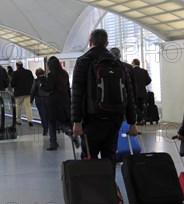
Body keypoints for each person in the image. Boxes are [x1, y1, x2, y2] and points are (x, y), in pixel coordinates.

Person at [72, 29, 138, 160]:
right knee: (110, 156)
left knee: (89, 157)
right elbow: (129, 94)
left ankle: (93, 181)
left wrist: (76, 121)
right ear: (107, 43)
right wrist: (132, 122)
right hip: (114, 118)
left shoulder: (83, 61)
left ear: (91, 42)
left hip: (92, 119)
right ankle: (109, 180)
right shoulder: (119, 64)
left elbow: (77, 93)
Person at [44, 56, 77, 150]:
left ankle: (53, 144)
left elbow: (50, 88)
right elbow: (68, 88)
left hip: (54, 102)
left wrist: (43, 86)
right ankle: (72, 134)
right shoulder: (64, 73)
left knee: (52, 122)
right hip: (65, 101)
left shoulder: (51, 75)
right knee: (63, 121)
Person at [10, 61, 34, 126]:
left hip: (18, 93)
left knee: (19, 107)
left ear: (17, 65)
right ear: (22, 65)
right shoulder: (28, 72)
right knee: (28, 106)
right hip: (28, 92)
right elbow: (32, 80)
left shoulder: (15, 73)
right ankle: (30, 120)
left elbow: (12, 84)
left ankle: (18, 120)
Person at [131, 58, 151, 125]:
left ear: (133, 63)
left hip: (135, 92)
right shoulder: (144, 71)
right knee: (143, 106)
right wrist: (143, 84)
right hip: (143, 92)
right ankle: (143, 119)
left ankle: (139, 120)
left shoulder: (131, 71)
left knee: (136, 106)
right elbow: (149, 80)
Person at [30, 68, 50, 136]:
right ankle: (51, 129)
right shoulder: (48, 79)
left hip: (39, 99)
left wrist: (31, 100)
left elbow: (33, 90)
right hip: (48, 99)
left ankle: (45, 130)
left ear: (36, 74)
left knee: (42, 115)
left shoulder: (36, 80)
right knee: (48, 114)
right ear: (43, 73)